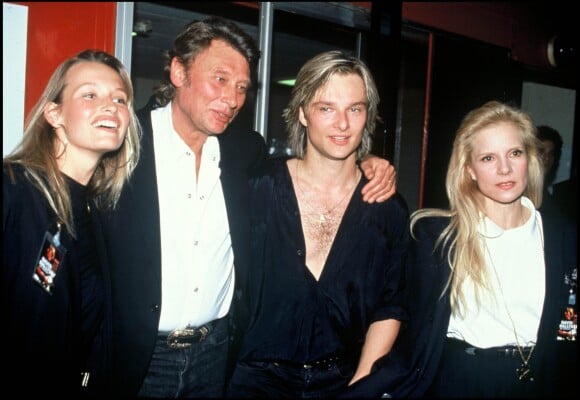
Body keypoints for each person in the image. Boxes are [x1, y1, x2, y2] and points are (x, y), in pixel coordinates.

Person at [99, 17, 397, 398]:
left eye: (242, 87)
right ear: (178, 71)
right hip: (135, 357)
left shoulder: (244, 152)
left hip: (217, 356)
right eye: (220, 79)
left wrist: (367, 161)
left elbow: (325, 157)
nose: (233, 99)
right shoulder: (121, 145)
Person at [340, 101, 577, 398]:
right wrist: (363, 161)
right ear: (470, 170)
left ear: (530, 159)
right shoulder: (436, 238)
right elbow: (391, 311)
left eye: (514, 153)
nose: (504, 168)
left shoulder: (563, 238)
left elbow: (568, 331)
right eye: (488, 158)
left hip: (539, 381)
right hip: (458, 380)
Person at [227, 51, 410, 398]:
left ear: (367, 116)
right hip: (252, 381)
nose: (342, 124)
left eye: (354, 109)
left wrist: (361, 386)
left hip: (343, 382)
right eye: (326, 108)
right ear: (302, 113)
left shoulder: (387, 209)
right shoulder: (257, 187)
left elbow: (391, 305)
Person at [2, 49, 140, 397]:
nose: (111, 107)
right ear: (54, 113)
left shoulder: (98, 213)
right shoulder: (13, 189)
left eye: (120, 99)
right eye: (90, 94)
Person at [536, 125, 563, 215]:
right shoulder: (517, 190)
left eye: (551, 153)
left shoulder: (549, 198)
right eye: (541, 151)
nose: (546, 158)